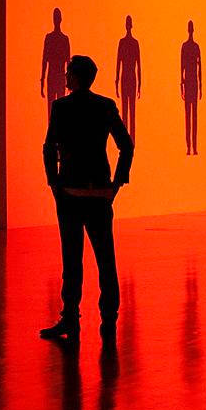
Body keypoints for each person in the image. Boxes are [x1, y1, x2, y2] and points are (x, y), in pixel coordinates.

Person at [40, 55, 133, 346]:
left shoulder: (61, 107)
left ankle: (70, 316)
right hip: (99, 194)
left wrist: (54, 182)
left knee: (72, 259)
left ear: (76, 77)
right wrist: (116, 183)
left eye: (69, 73)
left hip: (70, 193)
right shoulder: (105, 106)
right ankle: (109, 318)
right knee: (106, 258)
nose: (66, 77)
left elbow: (49, 147)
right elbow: (126, 145)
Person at [40, 8, 71, 117]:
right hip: (53, 77)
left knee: (58, 111)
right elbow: (44, 60)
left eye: (57, 18)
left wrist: (70, 82)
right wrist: (42, 80)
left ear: (59, 19)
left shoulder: (64, 39)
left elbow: (68, 63)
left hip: (59, 77)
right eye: (55, 18)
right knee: (52, 110)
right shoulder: (50, 38)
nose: (56, 20)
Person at [114, 15, 141, 136]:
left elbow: (138, 65)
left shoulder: (132, 43)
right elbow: (118, 63)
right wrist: (116, 80)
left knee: (129, 111)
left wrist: (139, 84)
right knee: (128, 111)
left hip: (128, 77)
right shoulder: (125, 43)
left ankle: (130, 140)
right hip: (127, 77)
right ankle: (129, 139)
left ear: (127, 25)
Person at [179, 20, 202, 156]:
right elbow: (182, 66)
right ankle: (190, 147)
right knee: (190, 116)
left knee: (192, 116)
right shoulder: (189, 47)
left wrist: (200, 85)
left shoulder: (193, 47)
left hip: (191, 82)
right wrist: (181, 84)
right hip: (189, 82)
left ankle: (193, 146)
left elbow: (199, 67)